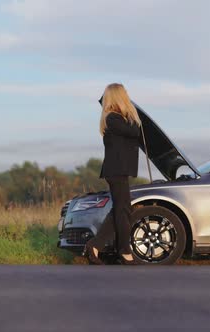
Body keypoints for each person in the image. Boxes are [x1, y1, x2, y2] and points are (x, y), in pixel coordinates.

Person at [83, 83, 141, 265]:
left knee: (121, 210)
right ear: (119, 96)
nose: (128, 96)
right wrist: (131, 110)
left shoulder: (114, 118)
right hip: (116, 171)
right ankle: (124, 251)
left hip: (117, 171)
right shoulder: (113, 119)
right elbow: (135, 130)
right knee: (123, 210)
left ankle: (95, 246)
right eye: (125, 94)